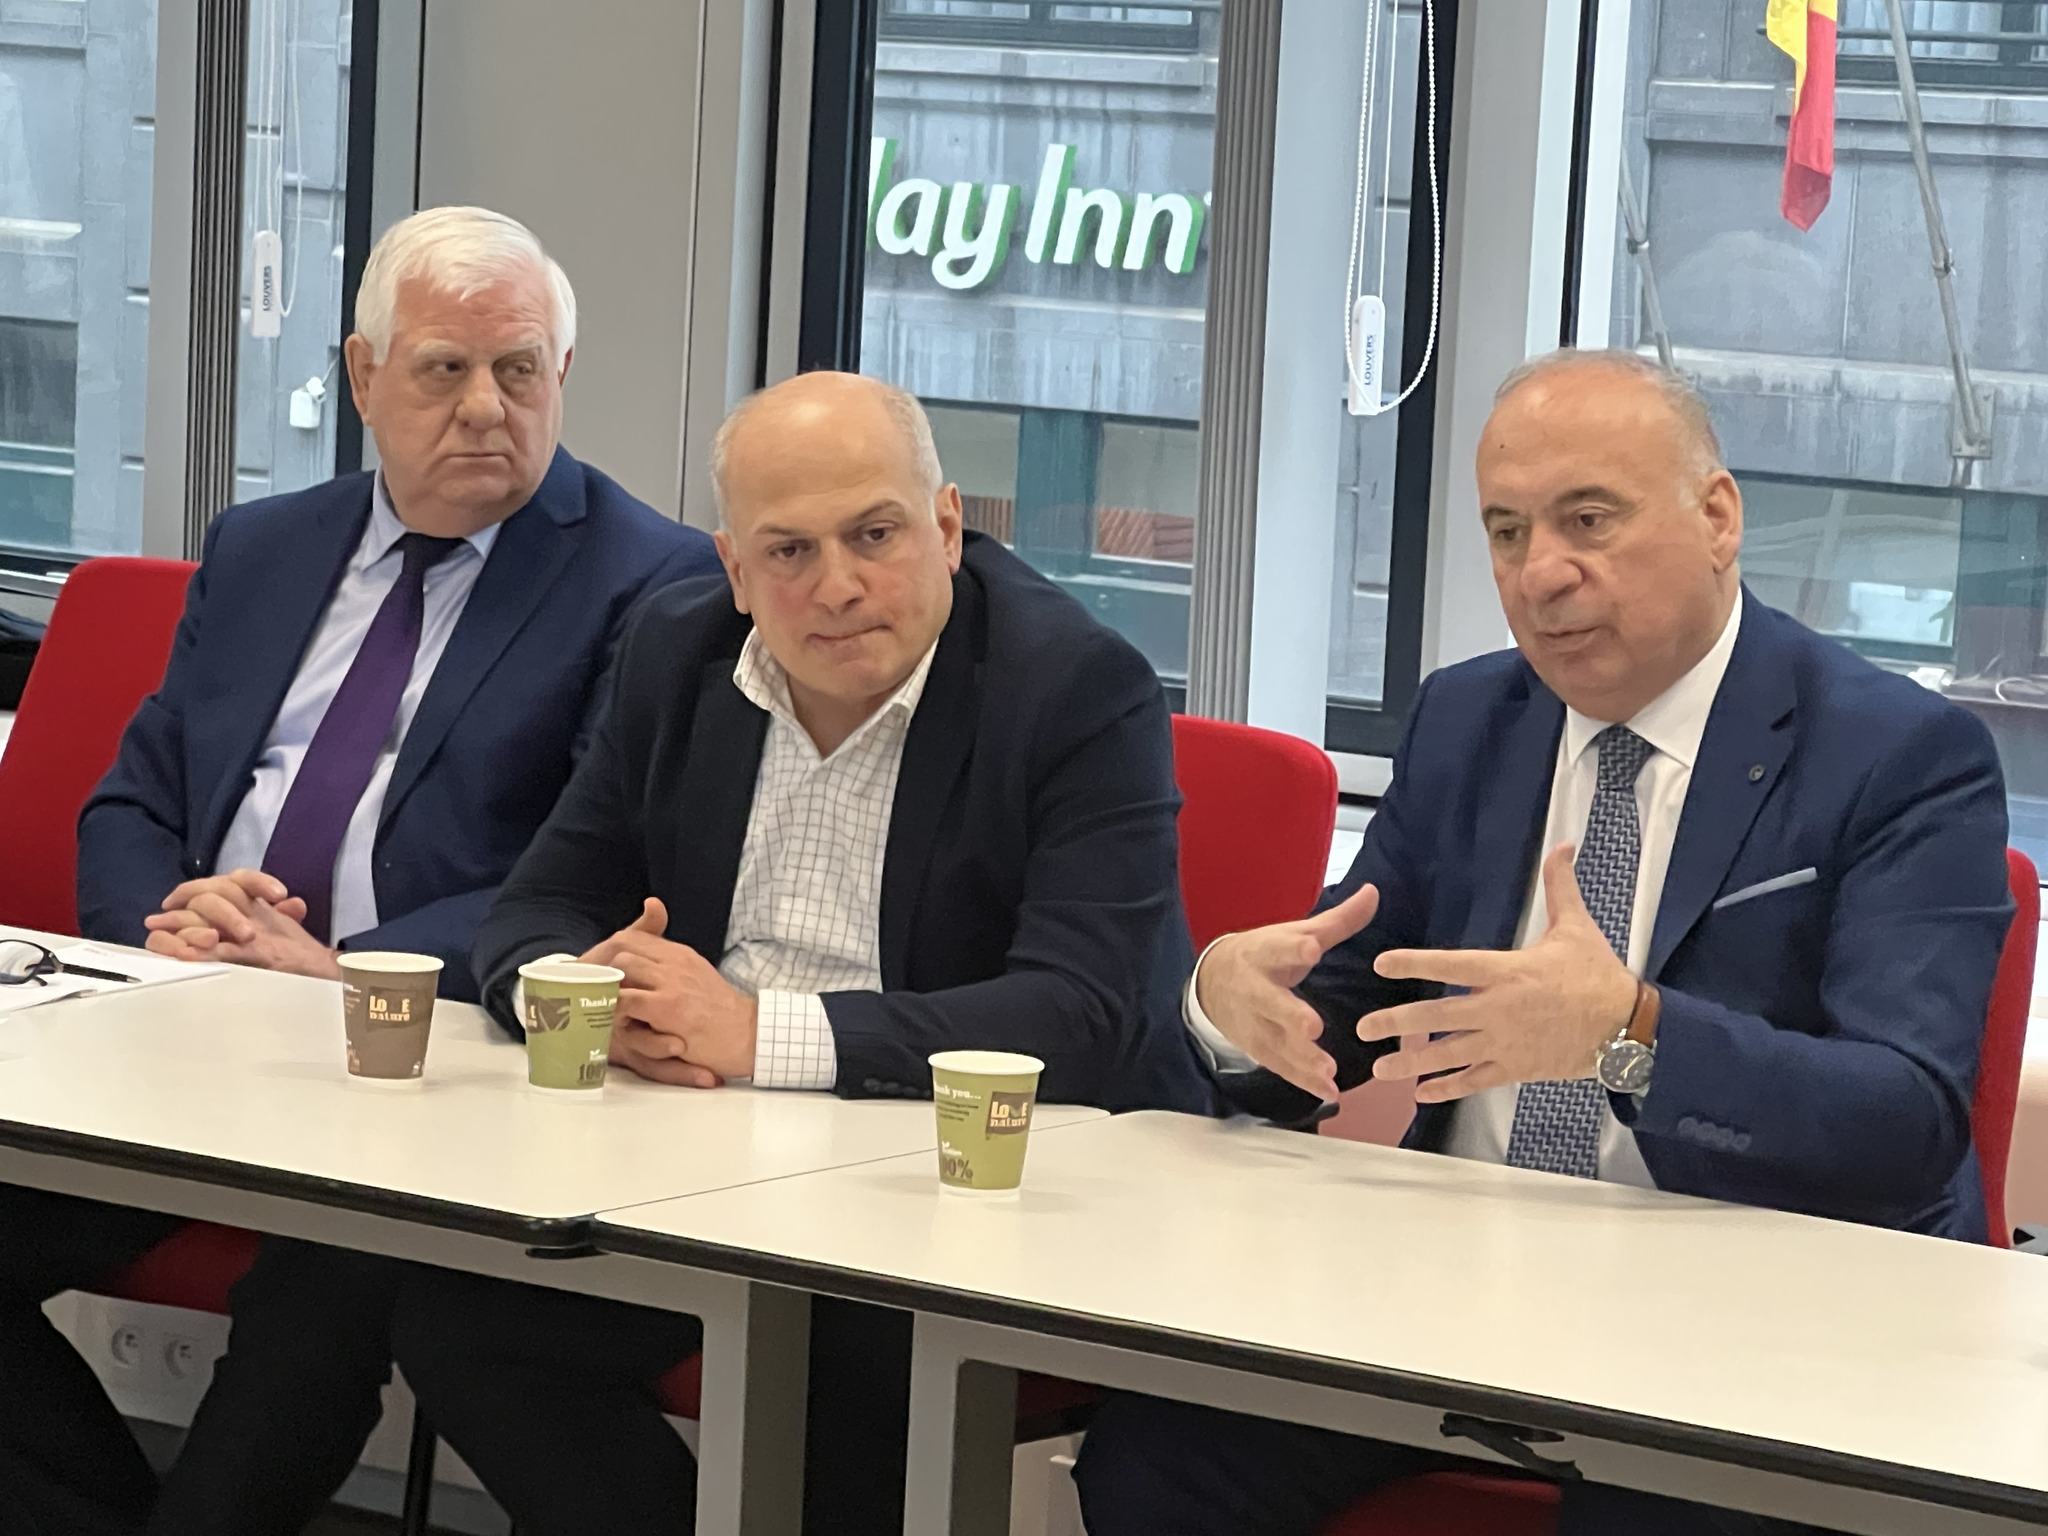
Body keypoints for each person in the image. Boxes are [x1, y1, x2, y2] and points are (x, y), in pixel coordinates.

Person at [1072, 349, 2012, 1536]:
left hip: (1752, 1316)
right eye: (1506, 532)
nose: (1540, 574)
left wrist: (1628, 1034)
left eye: (1587, 521)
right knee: (1157, 1456)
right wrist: (1226, 1006)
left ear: (1716, 517)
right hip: (1464, 1284)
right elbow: (1351, 1006)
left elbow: (1906, 1118)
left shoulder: (1895, 753)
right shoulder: (1471, 717)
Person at [376, 369, 1220, 1536]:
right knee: (463, 1321)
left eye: (874, 534)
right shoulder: (677, 649)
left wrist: (751, 1032)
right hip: (705, 1163)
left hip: (957, 1190)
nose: (837, 585)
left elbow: (1082, 1013)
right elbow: (540, 906)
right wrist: (593, 998)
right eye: (788, 551)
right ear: (734, 570)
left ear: (945, 526)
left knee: (846, 1377)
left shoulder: (1075, 686)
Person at [0, 205, 719, 1536]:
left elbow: (594, 872)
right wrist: (171, 927)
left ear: (562, 374)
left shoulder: (653, 582)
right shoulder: (266, 546)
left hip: (419, 1064)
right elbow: (137, 793)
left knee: (323, 1301)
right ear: (364, 375)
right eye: (445, 369)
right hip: (184, 1031)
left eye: (519, 369)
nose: (485, 406)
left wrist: (349, 970)